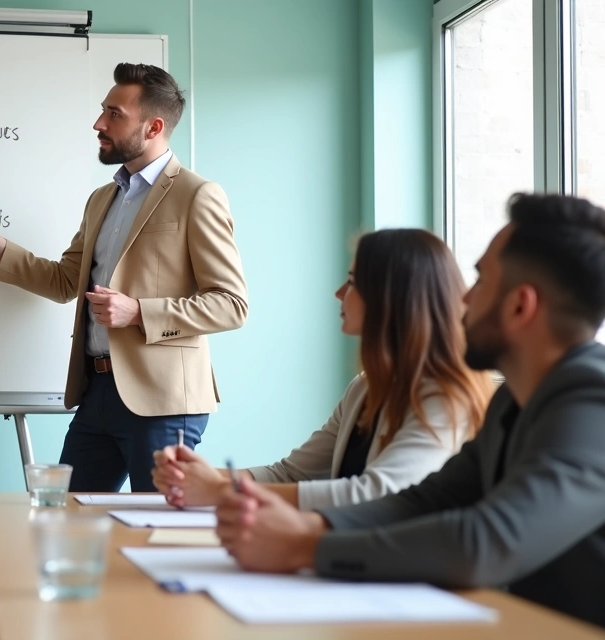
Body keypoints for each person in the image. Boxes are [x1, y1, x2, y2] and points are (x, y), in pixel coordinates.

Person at [215, 193, 605, 629]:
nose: (464, 299)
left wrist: (304, 548)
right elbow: (425, 500)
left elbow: (485, 540)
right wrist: (310, 528)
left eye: (479, 281)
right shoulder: (512, 400)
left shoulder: (592, 399)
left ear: (520, 307)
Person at [0, 63, 249, 492]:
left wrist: (138, 311)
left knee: (155, 536)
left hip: (163, 402)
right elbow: (67, 281)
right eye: (103, 110)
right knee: (66, 521)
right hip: (97, 391)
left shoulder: (196, 195)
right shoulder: (102, 199)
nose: (99, 123)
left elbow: (231, 304)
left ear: (154, 126)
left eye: (114, 114)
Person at [152, 229, 492, 510]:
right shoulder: (364, 389)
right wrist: (206, 476)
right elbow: (290, 475)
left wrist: (223, 491)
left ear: (392, 300)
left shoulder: (446, 398)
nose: (338, 293)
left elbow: (379, 494)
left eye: (352, 281)